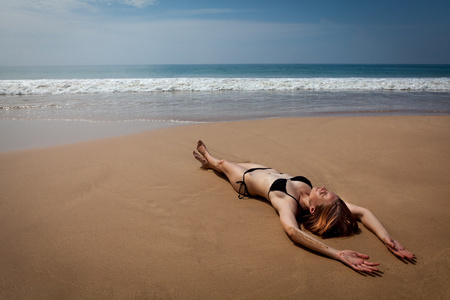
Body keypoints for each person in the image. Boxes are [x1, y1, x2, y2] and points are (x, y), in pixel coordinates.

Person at [193, 140, 415, 273]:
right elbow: (363, 212)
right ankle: (208, 164)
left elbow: (292, 231)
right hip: (267, 170)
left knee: (222, 164)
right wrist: (387, 238)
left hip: (245, 180)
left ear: (312, 210)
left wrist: (337, 254)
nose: (324, 188)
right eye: (328, 192)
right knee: (238, 161)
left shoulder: (286, 202)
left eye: (325, 194)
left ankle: (208, 158)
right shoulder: (322, 202)